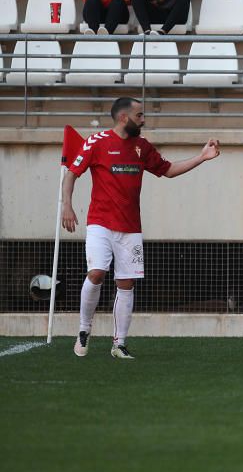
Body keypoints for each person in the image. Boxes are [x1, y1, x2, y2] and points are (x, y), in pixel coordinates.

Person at [62, 97, 220, 359]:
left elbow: (168, 170)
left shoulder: (142, 147)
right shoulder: (96, 142)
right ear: (124, 118)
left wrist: (202, 157)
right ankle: (83, 330)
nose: (143, 119)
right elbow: (71, 173)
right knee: (97, 273)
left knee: (126, 283)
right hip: (99, 223)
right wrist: (67, 205)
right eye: (139, 115)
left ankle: (119, 344)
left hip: (130, 227)